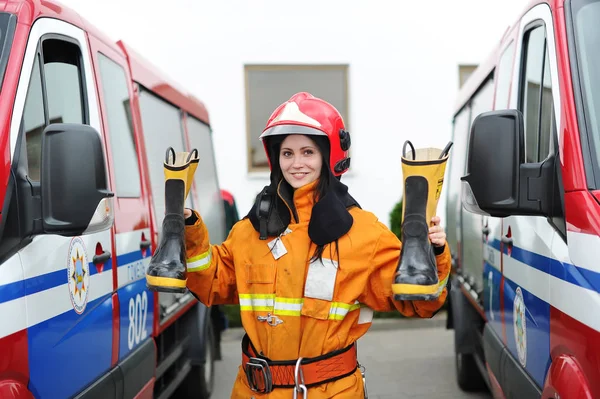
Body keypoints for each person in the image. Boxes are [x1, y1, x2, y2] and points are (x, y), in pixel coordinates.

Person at [182, 92, 451, 398]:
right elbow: (212, 282)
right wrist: (189, 228)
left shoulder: (364, 233)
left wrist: (434, 253)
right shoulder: (250, 231)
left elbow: (420, 303)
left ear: (328, 155)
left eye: (308, 152)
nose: (297, 163)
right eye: (287, 153)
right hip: (253, 391)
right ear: (275, 157)